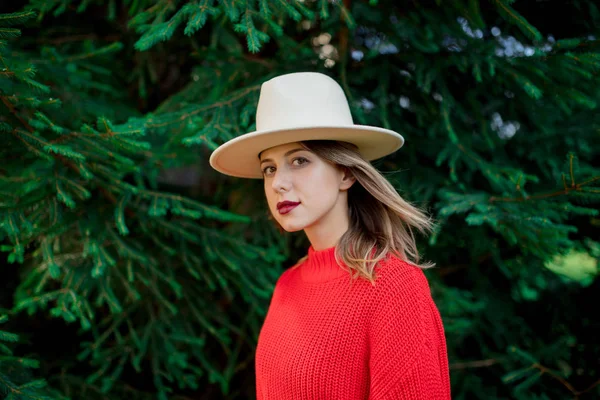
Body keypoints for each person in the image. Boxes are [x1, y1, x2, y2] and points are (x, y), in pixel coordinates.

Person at [209, 72, 451, 399]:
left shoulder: (394, 286)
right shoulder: (289, 284)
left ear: (346, 173)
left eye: (299, 161)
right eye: (270, 168)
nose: (279, 182)